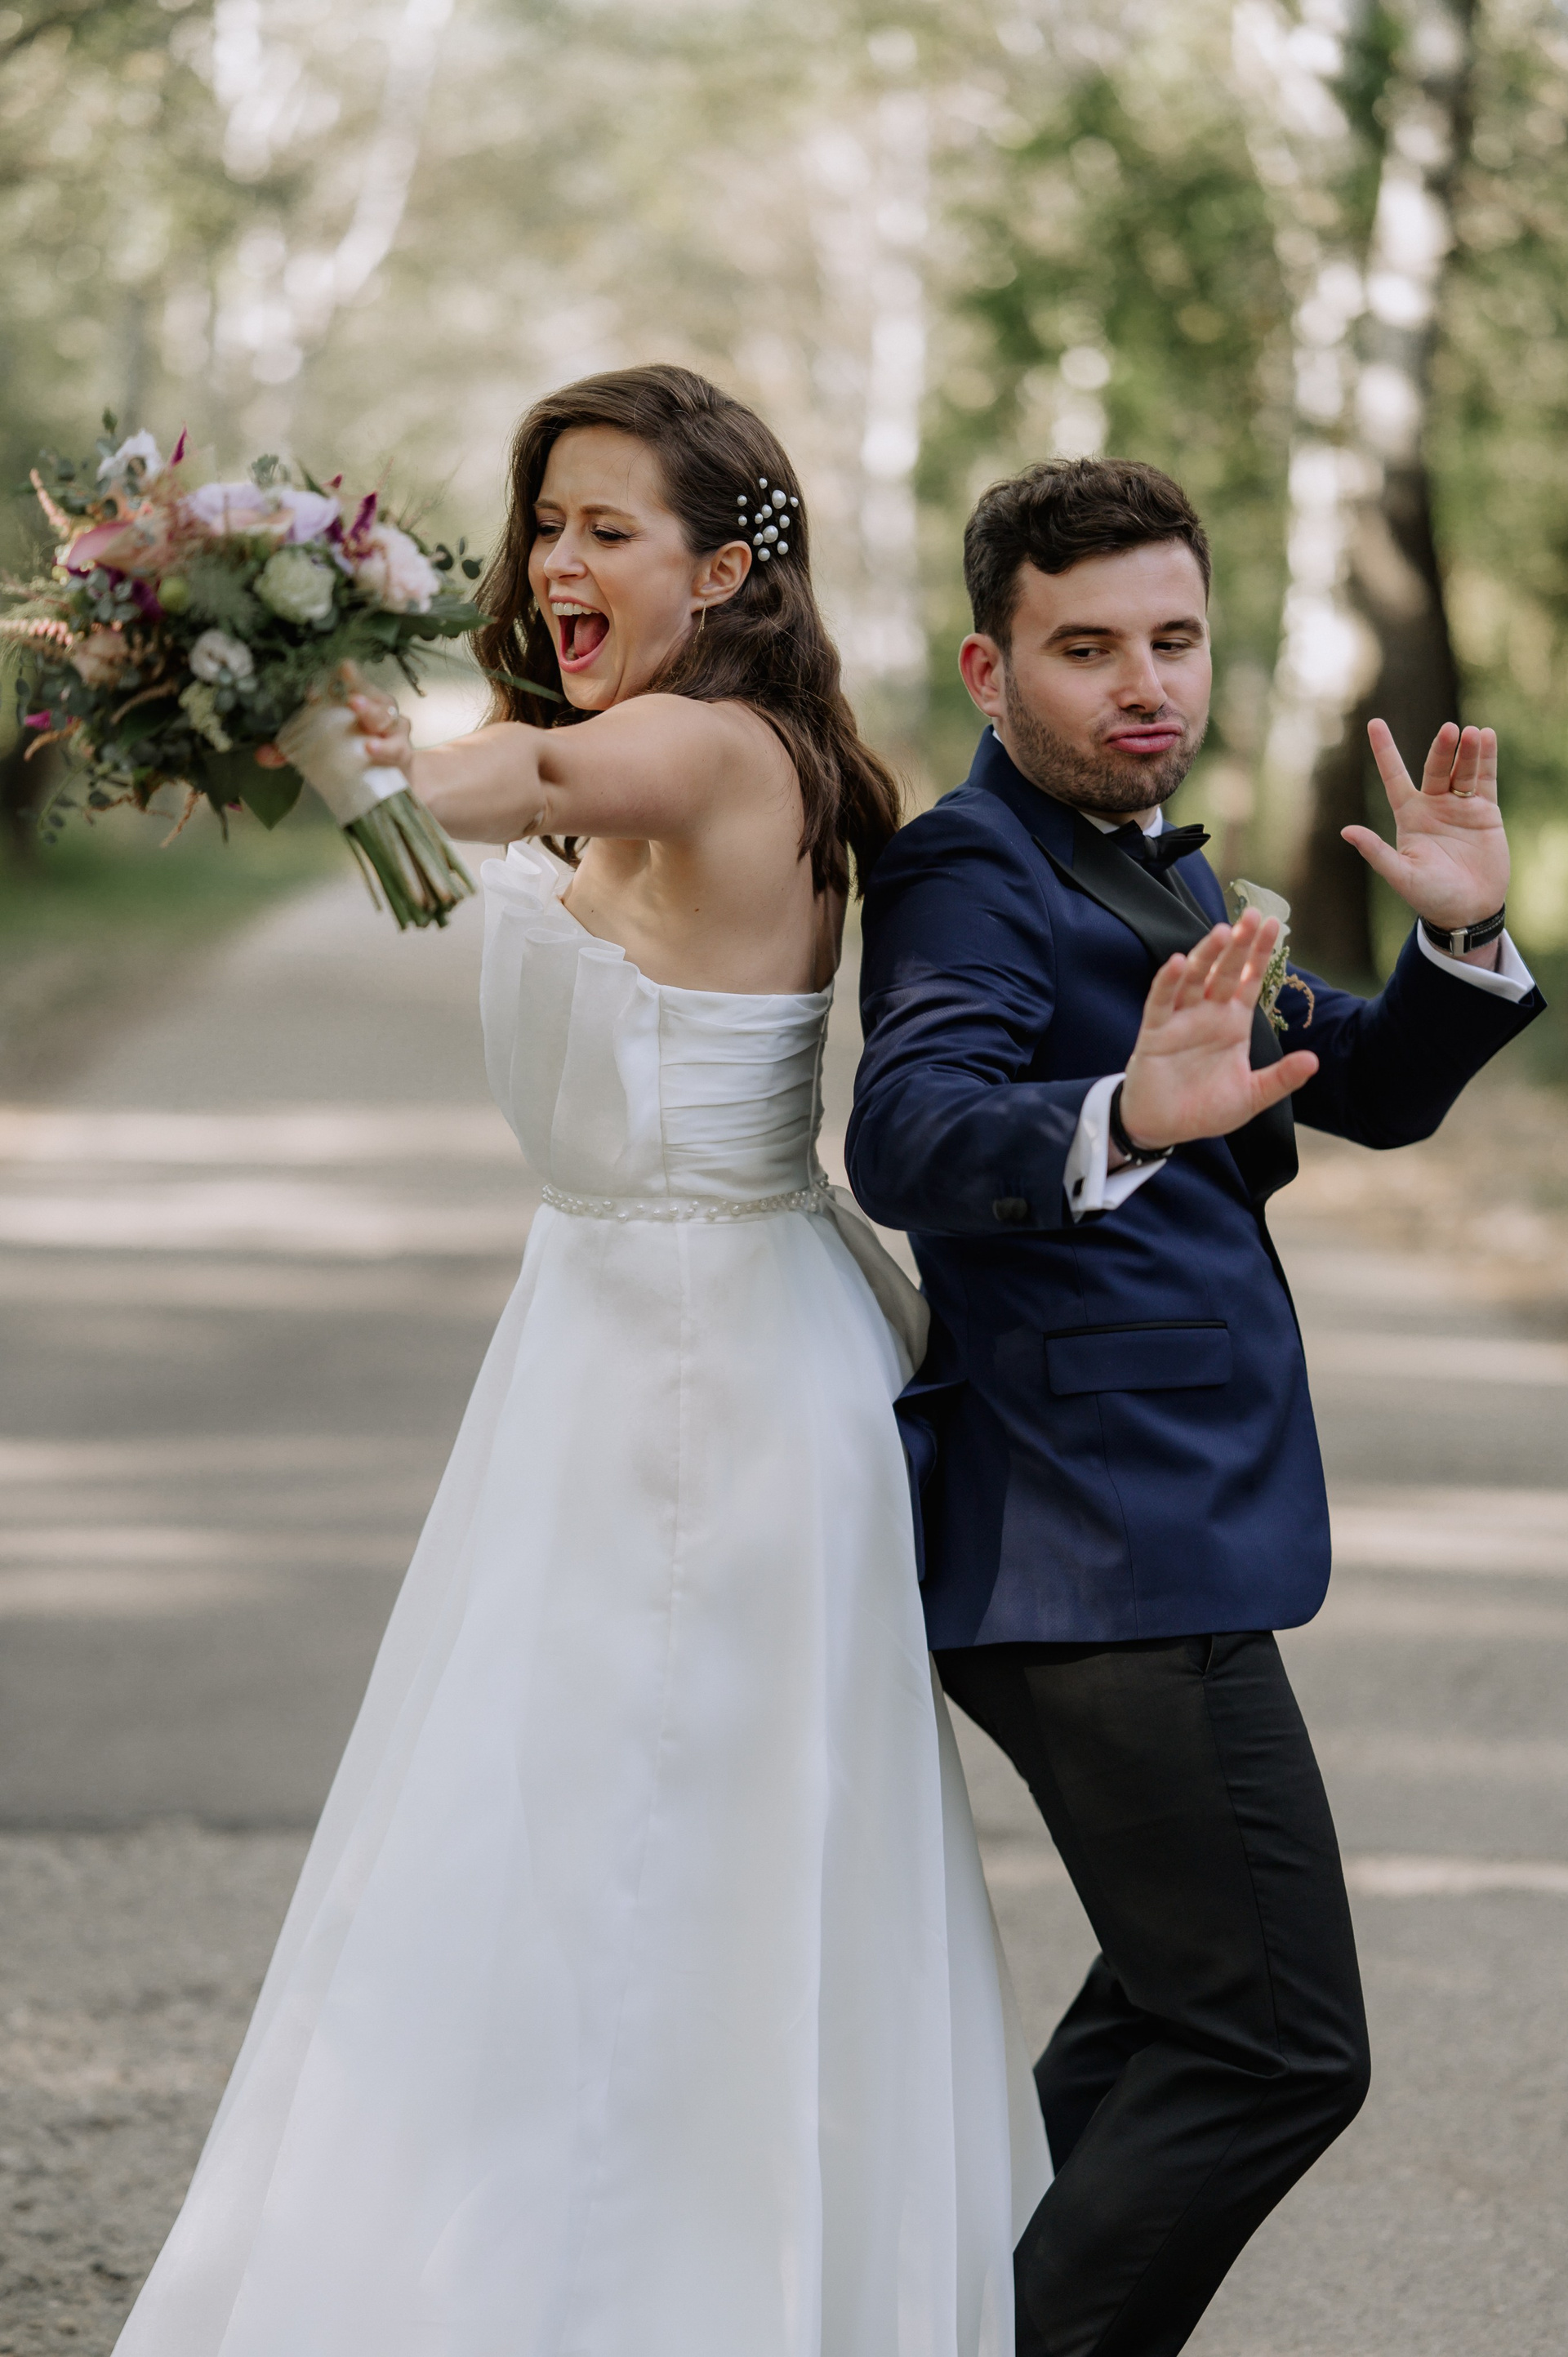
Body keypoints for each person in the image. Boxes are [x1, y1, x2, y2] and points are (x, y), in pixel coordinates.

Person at [113, 365, 1049, 2357]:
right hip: (605, 1340)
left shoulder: (714, 747)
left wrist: (312, 734)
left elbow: (525, 781)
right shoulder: (653, 734)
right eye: (546, 523)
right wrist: (308, 723)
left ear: (723, 571)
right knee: (556, 1834)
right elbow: (521, 769)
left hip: (712, 1379)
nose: (556, 561)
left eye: (608, 530)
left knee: (668, 1842)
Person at [846, 456, 1544, 2357]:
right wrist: (1122, 1113)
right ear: (991, 670)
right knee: (1276, 2047)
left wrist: (1463, 938)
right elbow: (908, 1129)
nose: (1144, 681)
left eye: (1173, 637)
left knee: (1182, 2016)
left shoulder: (1151, 862)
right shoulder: (972, 870)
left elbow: (1366, 1086)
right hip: (1095, 1544)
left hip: (1145, 1533)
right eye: (1086, 648)